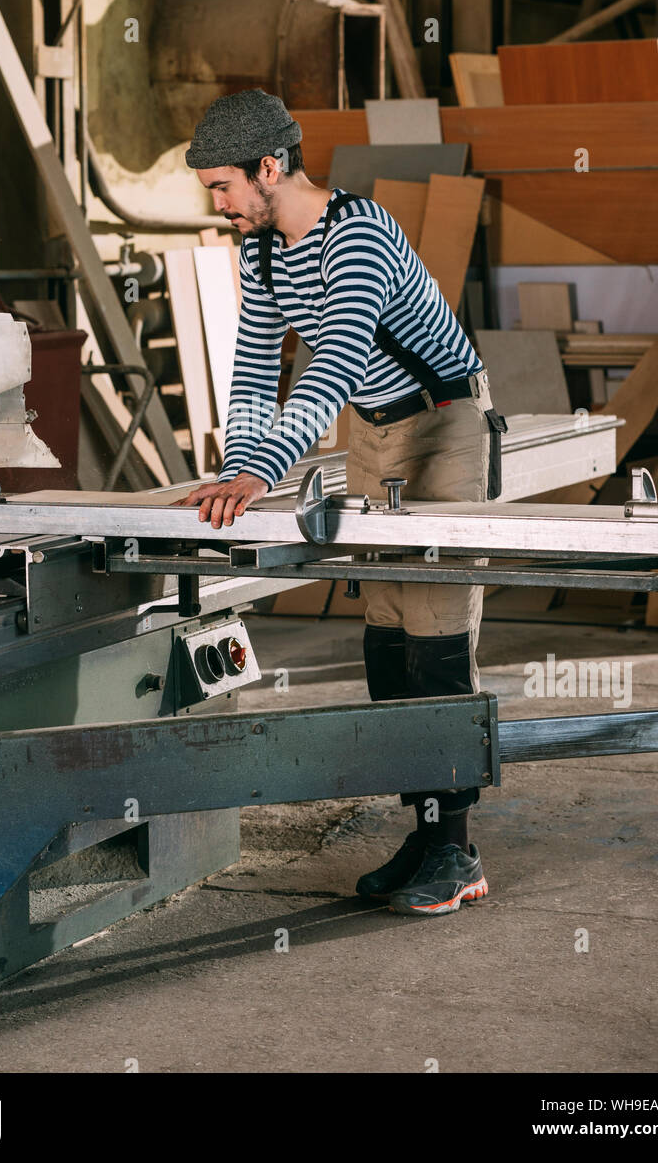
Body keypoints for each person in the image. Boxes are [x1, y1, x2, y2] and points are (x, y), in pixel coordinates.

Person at [178, 88, 505, 917]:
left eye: (222, 187)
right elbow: (256, 370)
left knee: (434, 637)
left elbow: (327, 368)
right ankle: (425, 836)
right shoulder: (259, 251)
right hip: (374, 431)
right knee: (387, 634)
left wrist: (266, 475)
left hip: (442, 425)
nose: (218, 204)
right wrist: (237, 467)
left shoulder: (356, 234)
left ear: (269, 166)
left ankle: (457, 850)